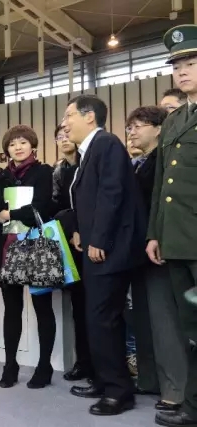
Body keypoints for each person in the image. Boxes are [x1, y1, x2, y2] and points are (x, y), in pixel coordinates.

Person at [61, 94, 147, 416]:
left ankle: (118, 392)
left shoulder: (106, 144)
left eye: (69, 116)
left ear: (89, 117)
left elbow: (112, 193)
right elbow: (90, 200)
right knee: (97, 318)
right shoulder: (89, 151)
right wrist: (81, 231)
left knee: (103, 318)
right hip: (96, 246)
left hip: (109, 249)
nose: (64, 123)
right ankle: (102, 379)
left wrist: (99, 239)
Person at [0, 125, 56, 389]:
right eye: (12, 144)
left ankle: (44, 366)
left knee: (43, 308)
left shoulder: (44, 172)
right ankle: (10, 364)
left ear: (33, 145)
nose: (17, 147)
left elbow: (43, 205)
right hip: (7, 247)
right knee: (12, 309)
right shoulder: (1, 175)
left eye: (22, 142)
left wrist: (11, 214)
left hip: (36, 245)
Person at [147, 25, 197, 427]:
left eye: (192, 63)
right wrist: (154, 233)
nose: (182, 71)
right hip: (177, 240)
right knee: (191, 330)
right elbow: (161, 186)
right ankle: (193, 406)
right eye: (177, 65)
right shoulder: (175, 120)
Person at [127, 105, 188, 412]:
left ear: (159, 129)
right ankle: (150, 379)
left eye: (139, 126)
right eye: (130, 127)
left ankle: (175, 389)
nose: (132, 132)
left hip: (162, 247)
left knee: (165, 323)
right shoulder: (139, 164)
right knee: (144, 321)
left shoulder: (159, 163)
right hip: (139, 250)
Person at [51, 124, 93, 383]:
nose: (64, 139)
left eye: (67, 134)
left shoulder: (87, 163)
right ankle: (83, 361)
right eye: (59, 136)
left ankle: (100, 364)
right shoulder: (58, 171)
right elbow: (55, 205)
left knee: (95, 306)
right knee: (77, 305)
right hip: (68, 242)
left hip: (90, 240)